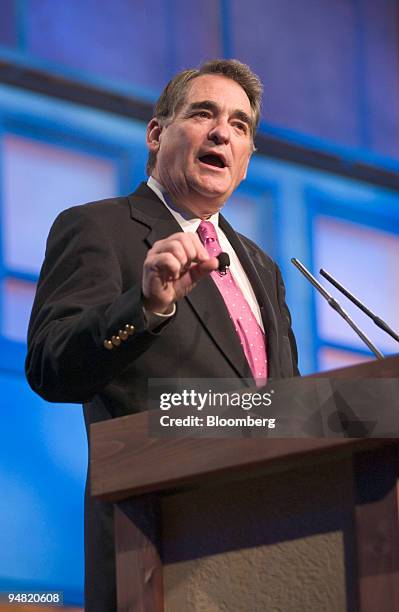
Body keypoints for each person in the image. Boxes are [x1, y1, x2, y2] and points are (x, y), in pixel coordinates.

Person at [26, 59, 299, 611]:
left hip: (275, 556)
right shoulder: (100, 226)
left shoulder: (262, 268)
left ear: (246, 163)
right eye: (204, 114)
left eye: (240, 125)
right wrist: (146, 305)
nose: (223, 131)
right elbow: (51, 367)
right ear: (156, 134)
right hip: (158, 548)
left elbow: (287, 410)